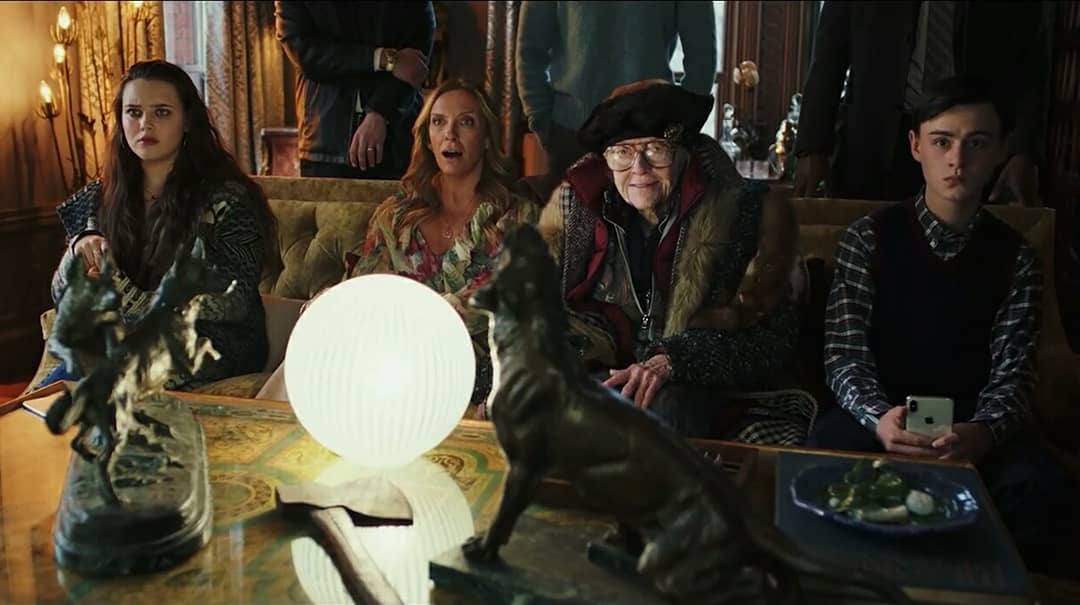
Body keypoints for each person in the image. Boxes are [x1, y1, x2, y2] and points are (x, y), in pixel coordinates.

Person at [811, 76, 1074, 575]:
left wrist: (983, 432)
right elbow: (844, 354)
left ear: (998, 152)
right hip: (880, 413)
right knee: (823, 461)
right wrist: (878, 417)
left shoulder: (1016, 257)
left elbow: (1014, 371)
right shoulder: (867, 239)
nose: (957, 160)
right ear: (916, 146)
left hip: (970, 423)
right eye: (942, 142)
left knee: (1041, 489)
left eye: (976, 144)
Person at [537, 79, 815, 444]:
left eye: (655, 149)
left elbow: (774, 339)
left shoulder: (751, 213)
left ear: (685, 154)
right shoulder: (581, 210)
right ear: (606, 160)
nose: (638, 167)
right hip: (608, 371)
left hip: (707, 383)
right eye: (622, 151)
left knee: (665, 410)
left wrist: (675, 360)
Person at [257, 80, 539, 408]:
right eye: (438, 122)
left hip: (473, 359)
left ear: (487, 137)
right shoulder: (396, 214)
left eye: (466, 122)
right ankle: (265, 427)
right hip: (392, 354)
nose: (450, 134)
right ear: (427, 138)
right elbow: (365, 284)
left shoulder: (515, 215)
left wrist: (407, 319)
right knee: (323, 345)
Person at [43, 60, 278, 390]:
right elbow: (59, 295)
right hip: (126, 339)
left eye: (162, 112)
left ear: (187, 121)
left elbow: (233, 299)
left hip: (211, 344)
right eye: (134, 112)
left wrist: (129, 298)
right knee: (67, 375)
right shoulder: (101, 195)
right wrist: (79, 250)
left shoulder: (228, 198)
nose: (145, 124)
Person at [793, 1, 1050, 205]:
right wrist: (813, 147)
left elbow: (1030, 66)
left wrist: (1022, 151)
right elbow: (829, 54)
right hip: (875, 145)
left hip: (972, 148)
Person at [516, 1, 717, 180]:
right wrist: (542, 123)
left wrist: (679, 133)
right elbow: (530, 52)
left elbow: (702, 58)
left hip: (650, 135)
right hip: (572, 135)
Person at [275, 1, 435, 179]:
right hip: (327, 141)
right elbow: (305, 52)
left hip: (398, 136)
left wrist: (380, 113)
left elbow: (414, 63)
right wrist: (383, 59)